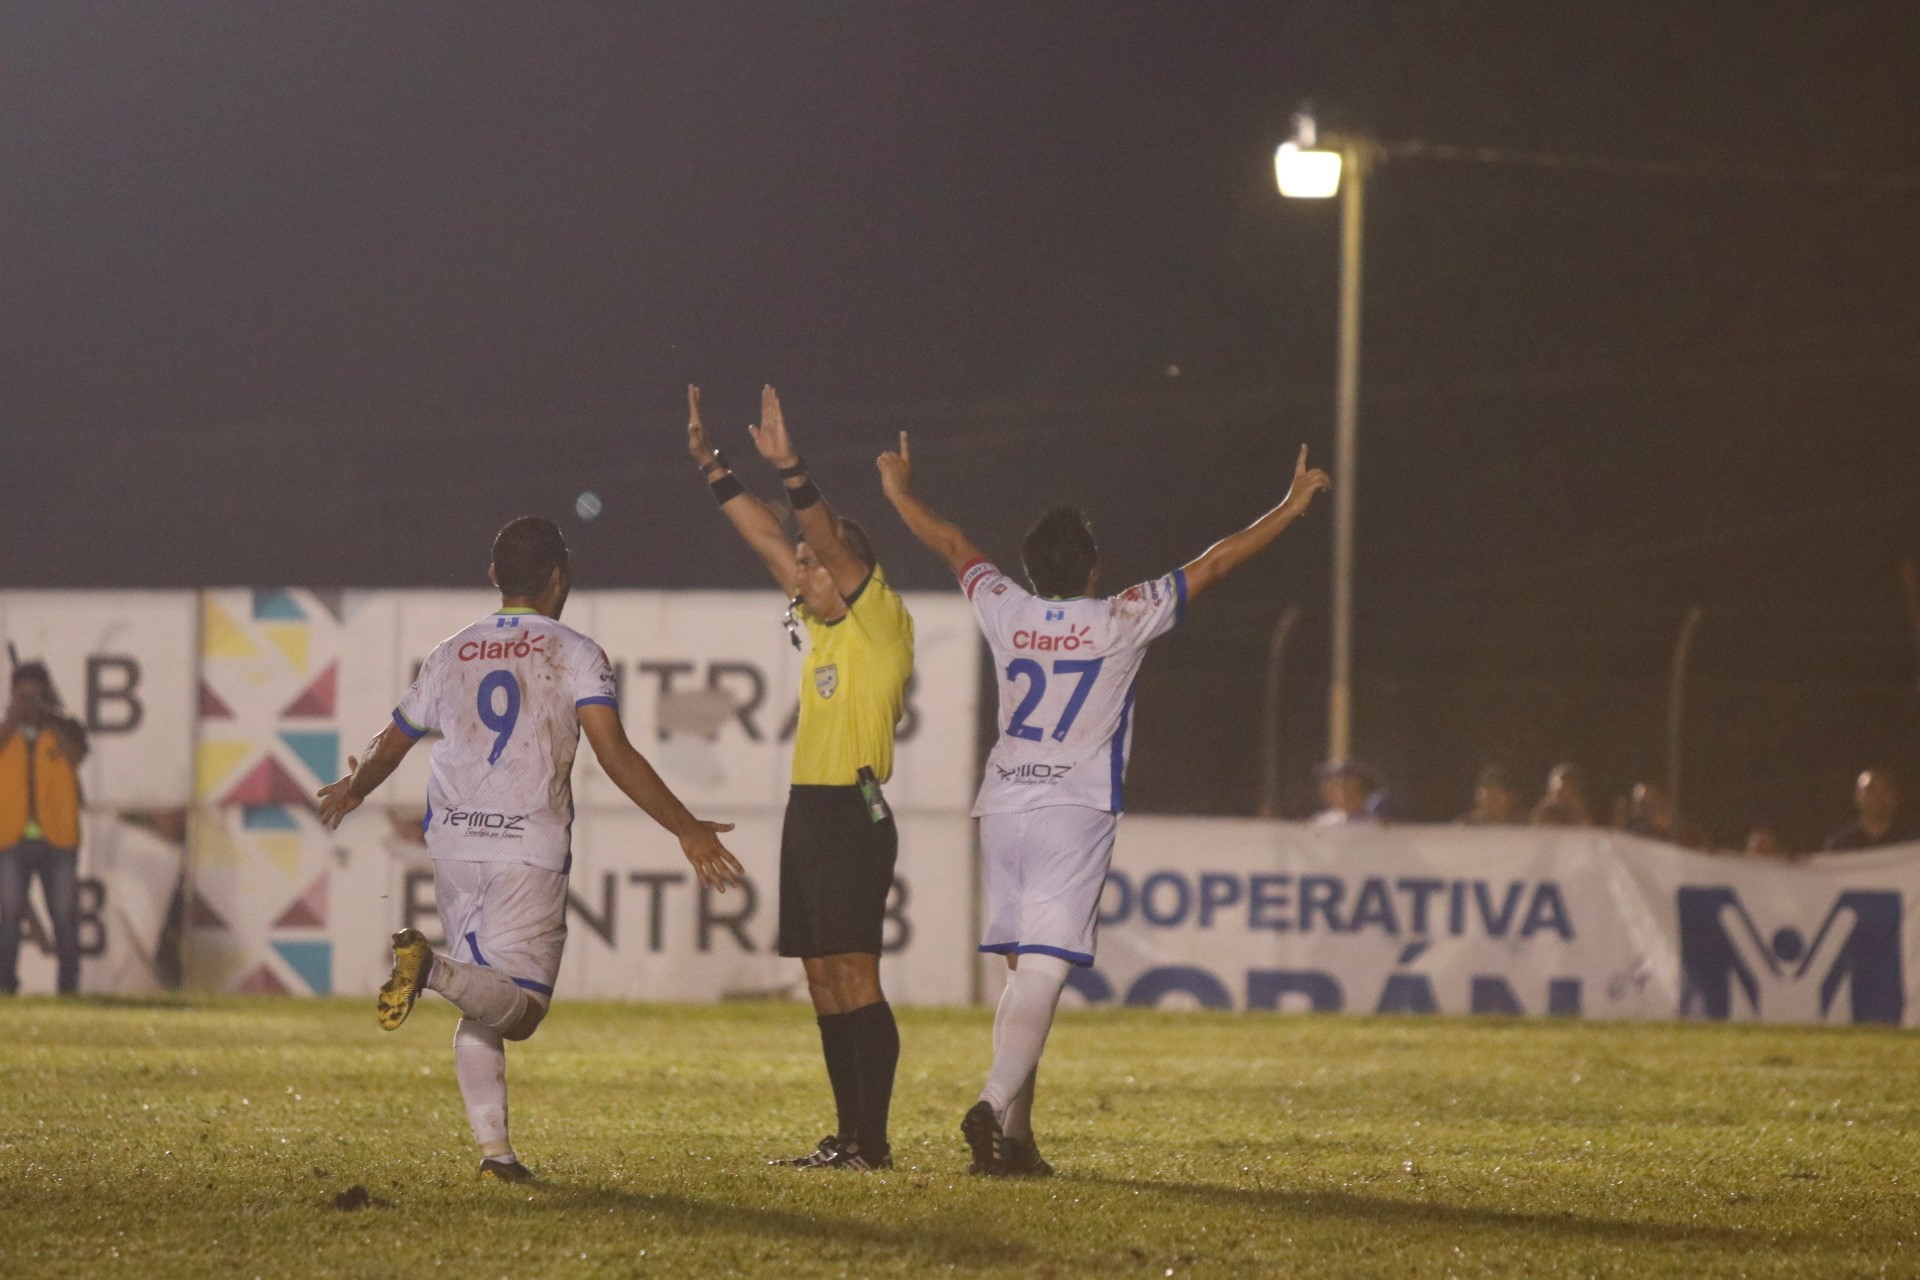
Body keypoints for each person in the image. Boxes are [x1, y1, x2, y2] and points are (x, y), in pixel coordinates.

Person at [878, 430, 1329, 1177]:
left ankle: (1013, 1146)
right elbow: (1216, 561)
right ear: (1092, 566)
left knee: (1025, 974)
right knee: (1048, 972)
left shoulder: (1004, 608)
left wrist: (897, 490)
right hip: (1072, 808)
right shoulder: (1121, 615)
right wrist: (1289, 505)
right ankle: (991, 1106)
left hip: (1003, 804)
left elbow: (953, 541)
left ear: (1028, 568)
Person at [316, 516, 742, 1182]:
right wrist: (685, 827)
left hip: (456, 844)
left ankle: (497, 1155)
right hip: (526, 845)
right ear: (559, 578)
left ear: (494, 578)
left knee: (484, 994)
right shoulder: (573, 650)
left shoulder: (450, 650)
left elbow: (391, 741)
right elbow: (615, 753)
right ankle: (431, 970)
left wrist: (354, 788)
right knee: (521, 1010)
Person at [689, 385, 915, 1172]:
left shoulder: (875, 618)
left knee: (854, 972)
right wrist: (714, 468)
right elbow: (769, 540)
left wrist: (792, 470)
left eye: (816, 562)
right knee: (821, 979)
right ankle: (847, 1137)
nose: (802, 566)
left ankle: (873, 1144)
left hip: (853, 810)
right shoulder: (819, 626)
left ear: (850, 571)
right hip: (809, 811)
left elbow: (813, 532)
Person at [0, 662, 90, 995]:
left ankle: (69, 986)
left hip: (59, 838)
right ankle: (5, 984)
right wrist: (14, 717)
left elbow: (77, 755)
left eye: (35, 695)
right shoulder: (6, 730)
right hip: (10, 837)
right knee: (7, 914)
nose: (29, 702)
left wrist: (49, 717)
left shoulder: (66, 727)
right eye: (22, 695)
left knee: (65, 914)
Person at [1823, 768, 1919, 851]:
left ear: (1896, 797)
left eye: (1885, 790)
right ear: (1858, 797)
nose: (1878, 797)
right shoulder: (1840, 843)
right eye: (1872, 790)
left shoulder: (1912, 840)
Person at [1311, 760, 1378, 825]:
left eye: (1350, 791)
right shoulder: (1321, 822)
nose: (1343, 796)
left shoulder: (1375, 823)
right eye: (1336, 789)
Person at [1530, 762, 1594, 827]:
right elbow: (1535, 827)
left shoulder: (1577, 811)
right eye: (1560, 791)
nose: (1564, 793)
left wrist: (1577, 809)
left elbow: (1587, 829)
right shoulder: (1544, 811)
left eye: (1569, 789)